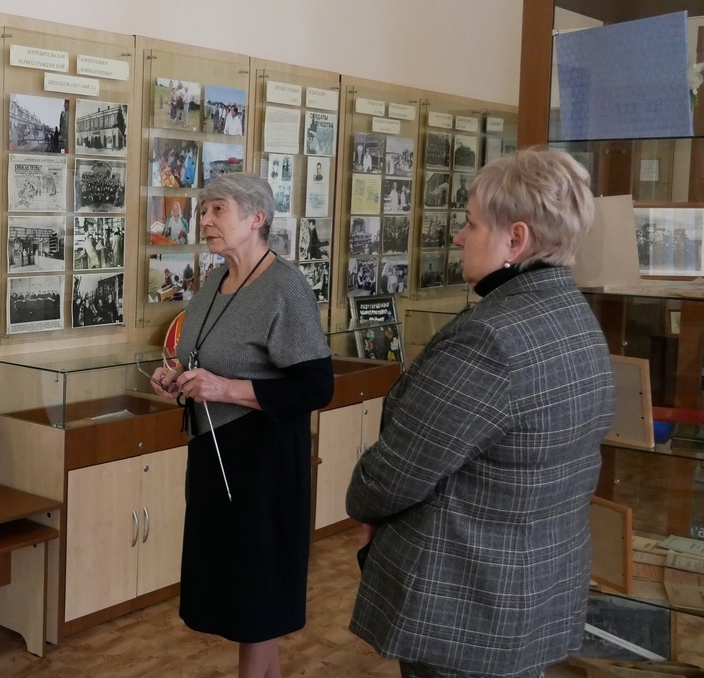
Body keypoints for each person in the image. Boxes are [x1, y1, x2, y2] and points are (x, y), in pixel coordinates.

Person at [347, 148, 616, 678]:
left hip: (468, 599)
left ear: (515, 239)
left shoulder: (490, 337)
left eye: (471, 224)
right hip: (533, 591)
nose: (459, 237)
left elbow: (399, 471)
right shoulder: (573, 315)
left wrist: (364, 504)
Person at [148, 172, 332, 678]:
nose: (204, 220)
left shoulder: (285, 286)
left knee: (257, 594)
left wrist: (224, 390)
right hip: (212, 453)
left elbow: (316, 388)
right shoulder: (213, 281)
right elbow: (204, 359)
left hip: (263, 462)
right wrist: (178, 379)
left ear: (256, 218)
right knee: (243, 594)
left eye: (217, 210)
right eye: (203, 210)